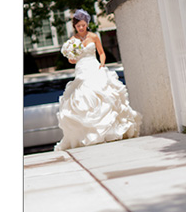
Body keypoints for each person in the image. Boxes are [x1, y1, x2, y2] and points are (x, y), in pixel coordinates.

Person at [54, 9, 141, 151]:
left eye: (83, 25)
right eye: (78, 26)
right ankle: (88, 134)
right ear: (75, 27)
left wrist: (102, 63)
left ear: (87, 24)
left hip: (94, 67)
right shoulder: (73, 40)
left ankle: (109, 130)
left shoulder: (94, 36)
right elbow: (72, 60)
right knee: (83, 97)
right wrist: (71, 55)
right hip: (82, 69)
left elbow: (101, 53)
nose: (81, 28)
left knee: (104, 94)